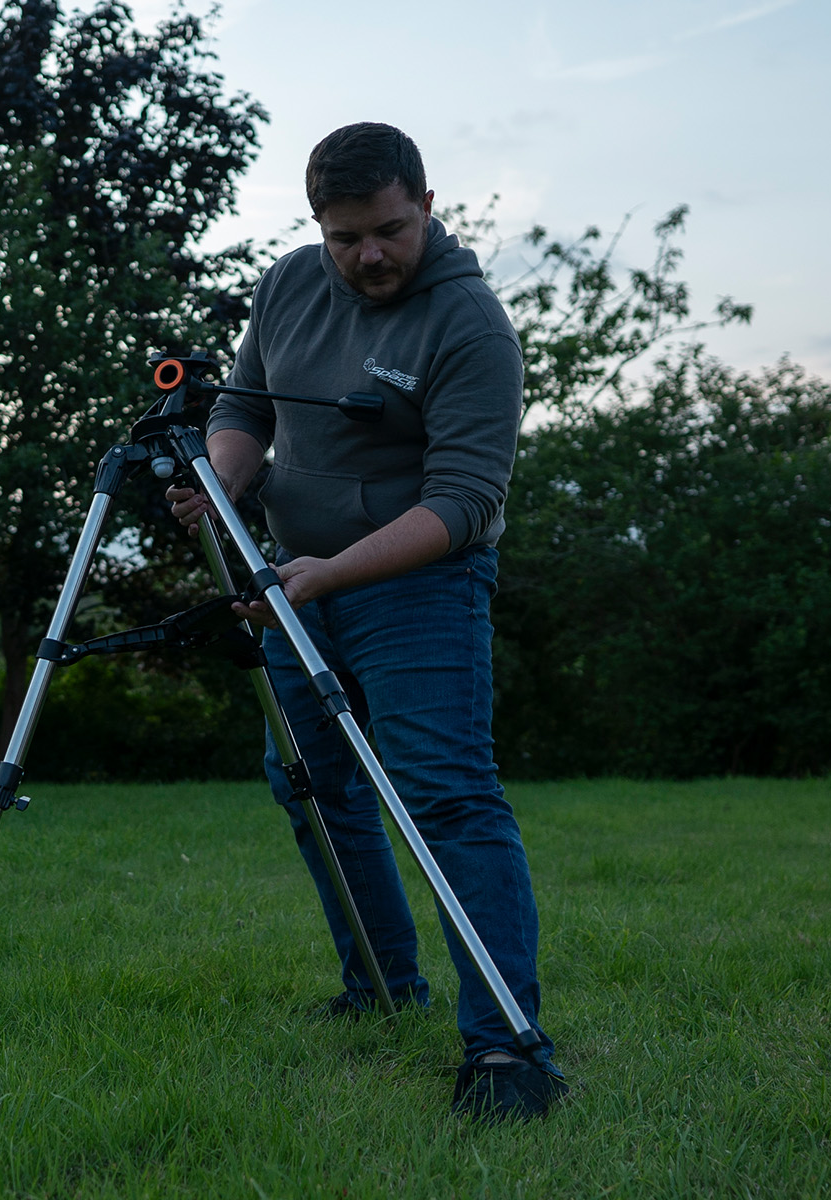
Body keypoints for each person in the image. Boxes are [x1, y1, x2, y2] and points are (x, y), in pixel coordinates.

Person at [166, 122, 565, 1121]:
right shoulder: (291, 282)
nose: (367, 256)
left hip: (417, 588)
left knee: (447, 797)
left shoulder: (470, 325)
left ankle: (509, 1050)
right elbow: (246, 410)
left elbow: (464, 502)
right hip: (293, 578)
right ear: (318, 226)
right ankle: (383, 988)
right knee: (309, 784)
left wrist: (327, 574)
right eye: (344, 237)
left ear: (426, 206)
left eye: (386, 231)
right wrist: (221, 485)